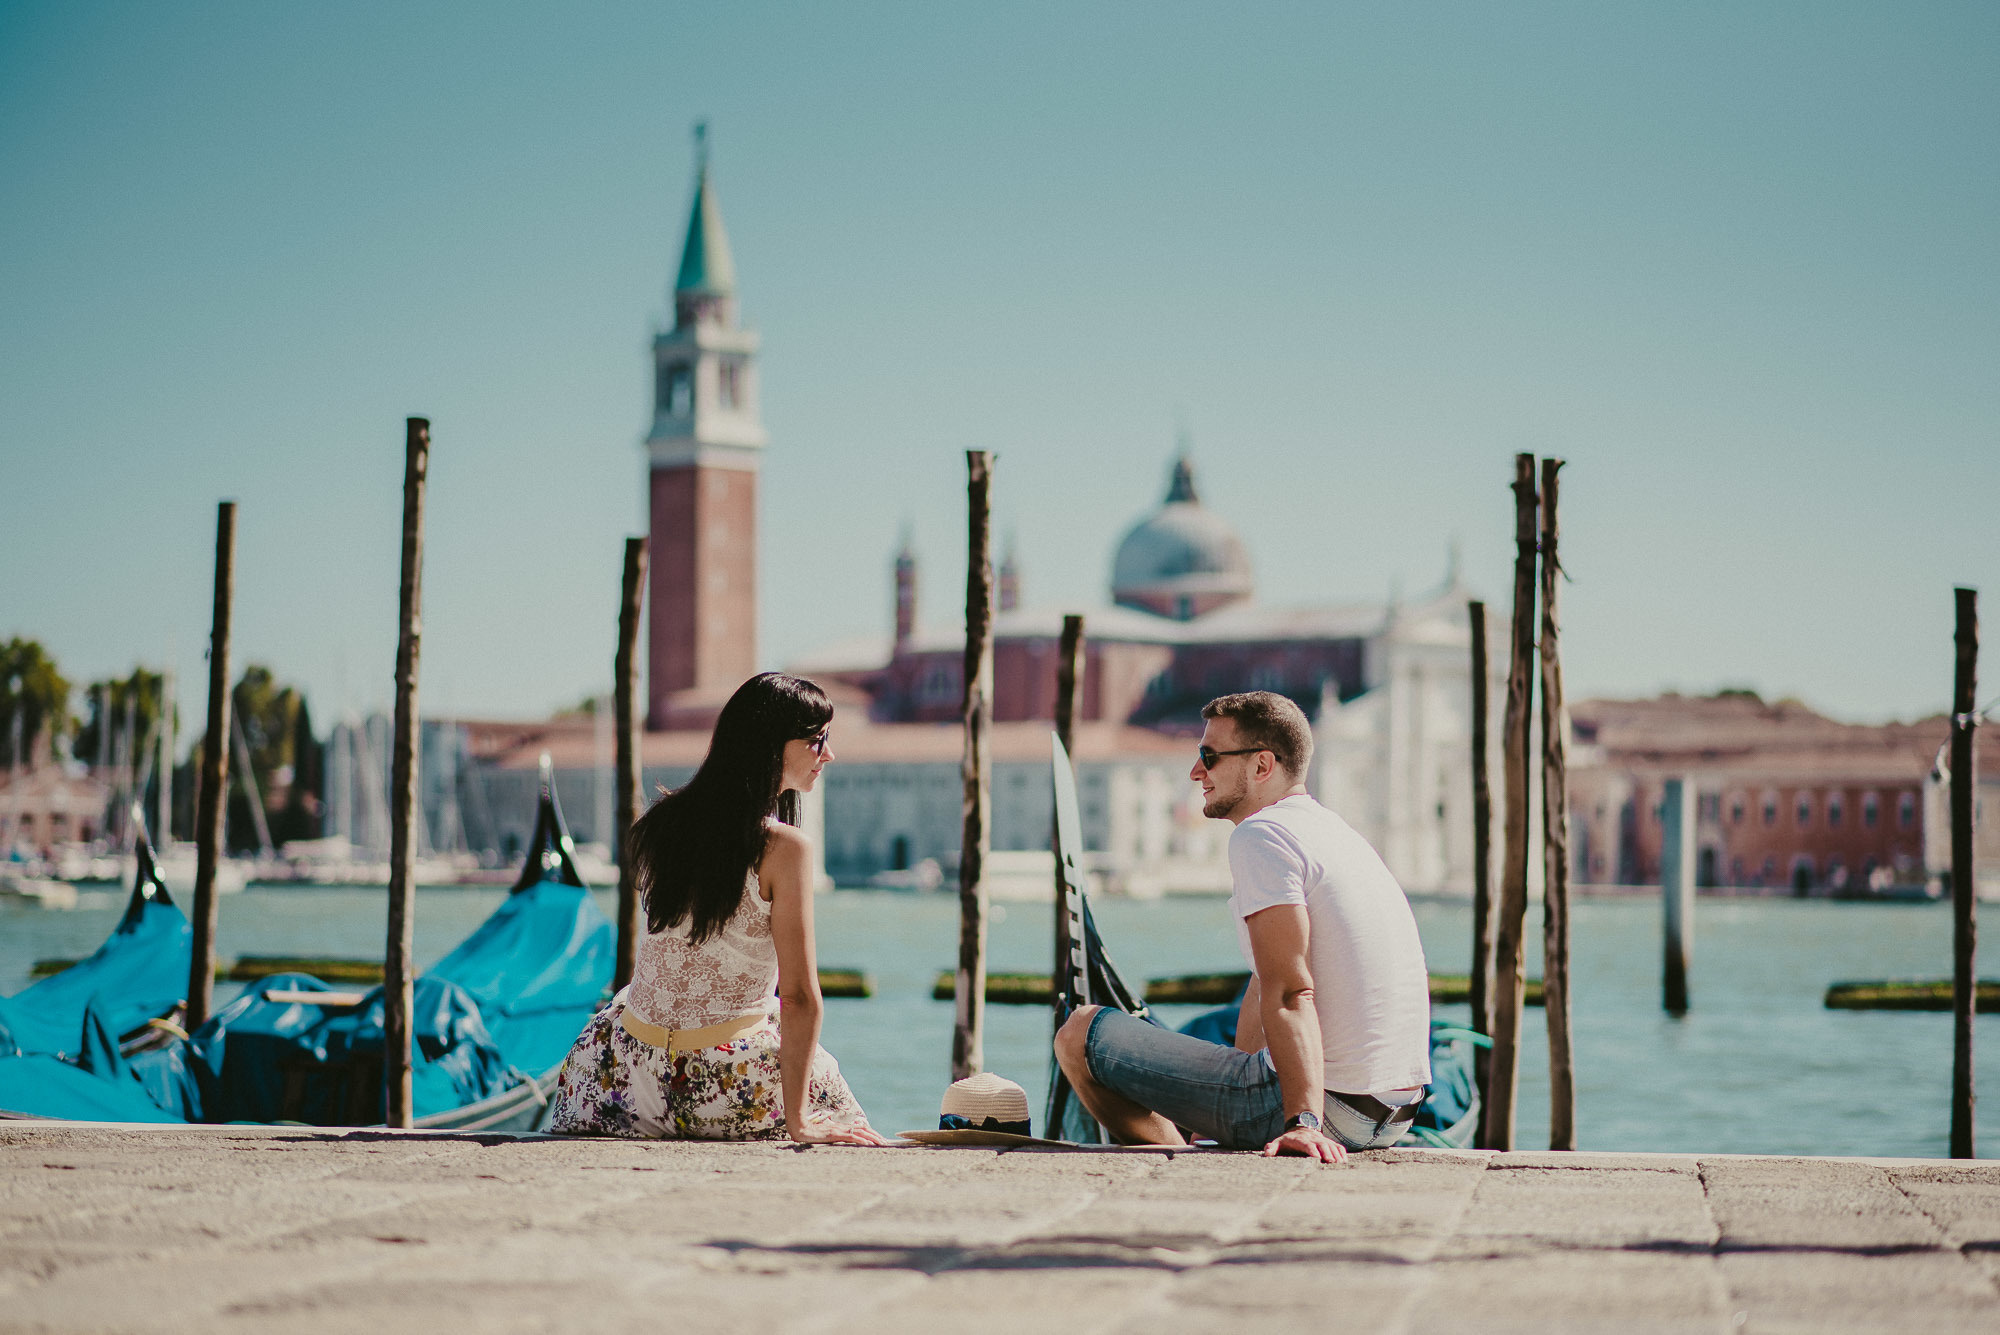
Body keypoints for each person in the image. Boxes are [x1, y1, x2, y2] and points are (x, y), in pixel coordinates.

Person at [1054, 691, 1431, 1163]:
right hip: (1391, 1115)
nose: (1196, 773)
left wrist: (1303, 1123)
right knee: (1263, 978)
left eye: (1208, 757)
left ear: (1261, 766)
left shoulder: (1262, 835)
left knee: (1078, 1033)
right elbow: (1266, 982)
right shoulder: (1334, 833)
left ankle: (1178, 1157)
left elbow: (1293, 992)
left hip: (1331, 1113)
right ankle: (1211, 1137)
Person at [549, 673, 891, 1146]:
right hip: (724, 1086)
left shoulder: (660, 824)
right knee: (853, 1127)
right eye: (817, 741)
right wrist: (799, 1122)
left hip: (620, 1077)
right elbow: (799, 996)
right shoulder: (783, 847)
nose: (828, 754)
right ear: (772, 744)